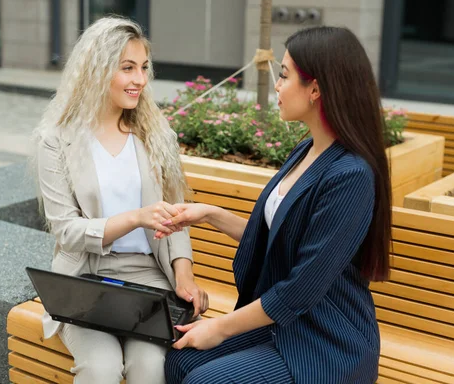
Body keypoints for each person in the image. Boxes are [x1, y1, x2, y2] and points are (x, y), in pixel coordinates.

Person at [162, 26, 392, 384]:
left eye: (284, 76)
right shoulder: (307, 150)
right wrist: (208, 215)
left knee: (204, 381)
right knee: (180, 362)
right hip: (284, 322)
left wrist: (220, 328)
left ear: (315, 89)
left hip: (324, 340)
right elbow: (275, 241)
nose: (277, 86)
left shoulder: (351, 175)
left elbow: (300, 288)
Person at [33, 16, 208, 384]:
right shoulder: (56, 141)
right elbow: (66, 231)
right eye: (127, 68)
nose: (140, 80)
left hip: (149, 282)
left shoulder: (157, 137)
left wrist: (184, 275)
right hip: (85, 281)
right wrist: (136, 217)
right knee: (101, 368)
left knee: (149, 368)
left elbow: (176, 218)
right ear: (96, 71)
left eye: (143, 68)